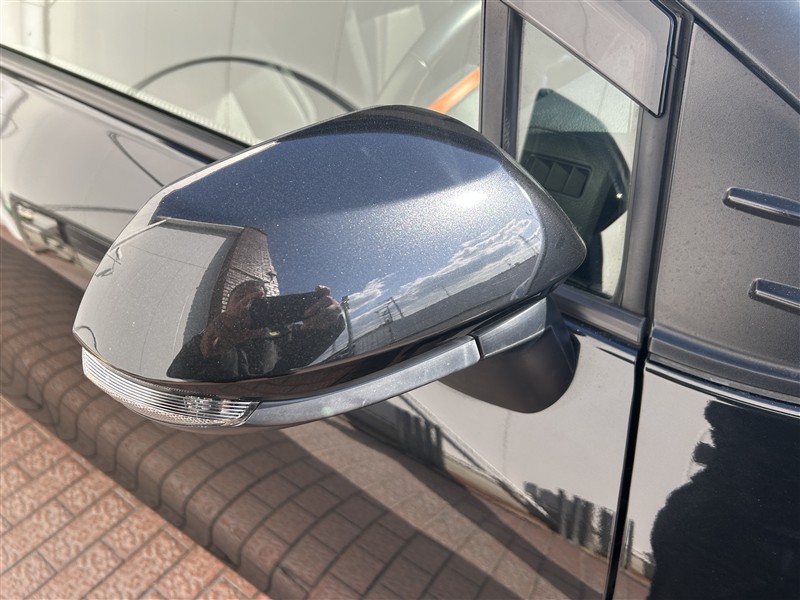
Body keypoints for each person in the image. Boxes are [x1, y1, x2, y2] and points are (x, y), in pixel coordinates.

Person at [168, 280, 344, 381]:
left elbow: (308, 351)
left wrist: (331, 321)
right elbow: (176, 375)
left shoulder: (284, 336)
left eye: (258, 301)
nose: (248, 303)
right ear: (227, 306)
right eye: (240, 297)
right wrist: (201, 349)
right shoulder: (213, 337)